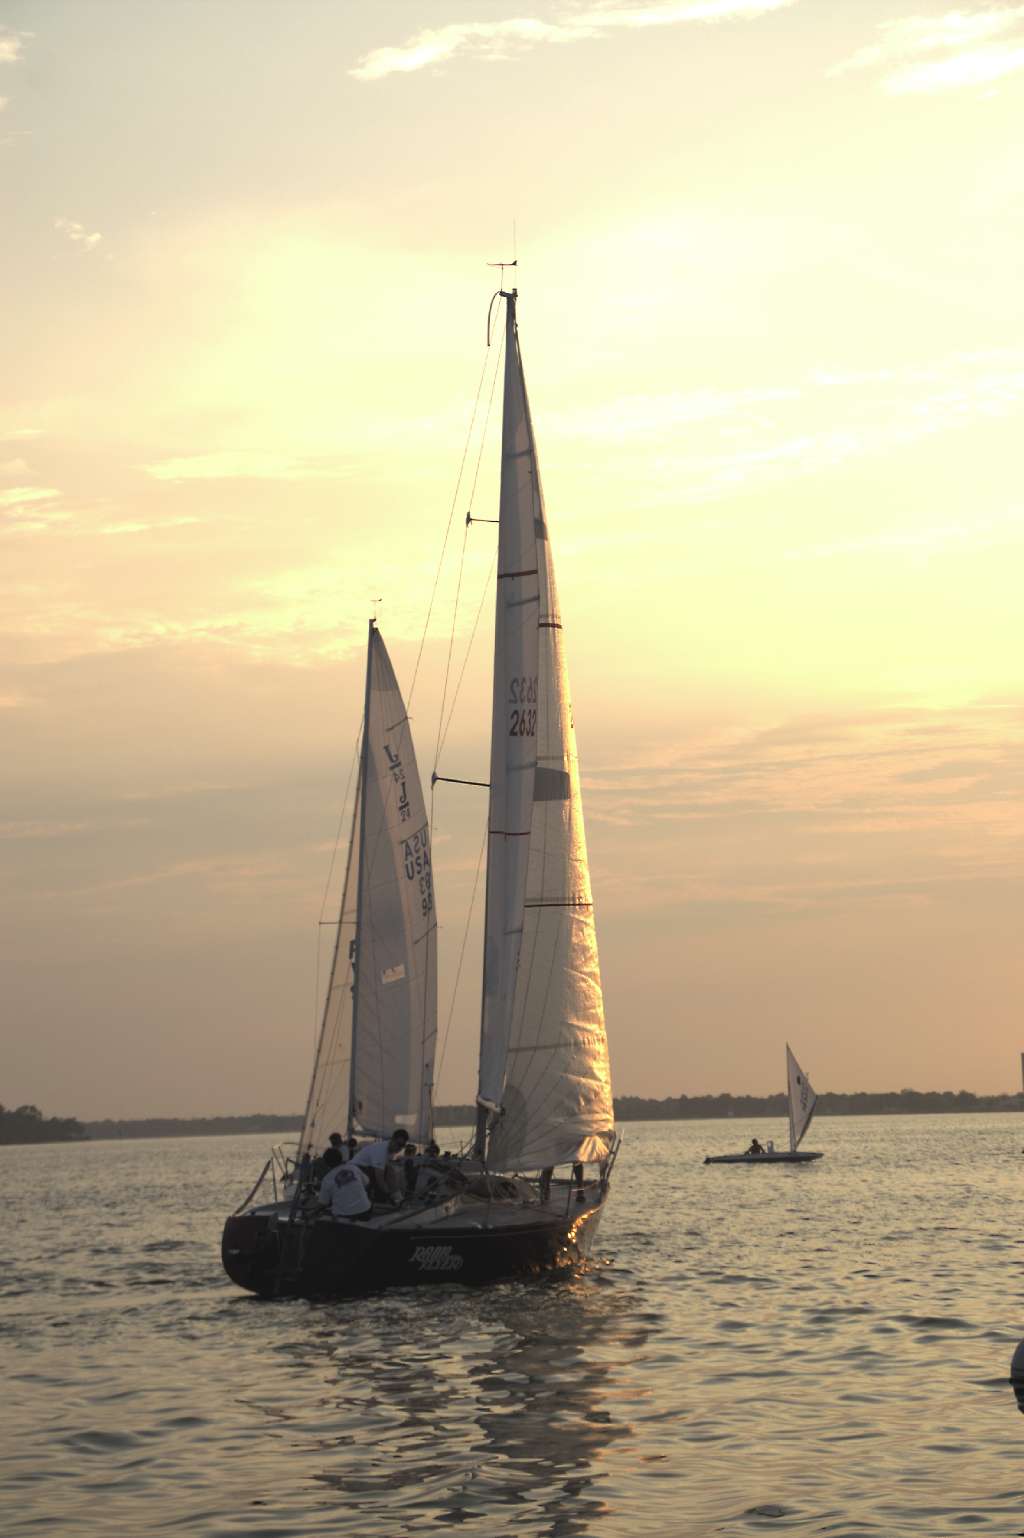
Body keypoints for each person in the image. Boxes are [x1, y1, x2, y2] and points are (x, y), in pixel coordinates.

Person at [351, 1127, 409, 1202]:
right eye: (399, 1144)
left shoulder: (390, 1151)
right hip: (355, 1170)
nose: (400, 1148)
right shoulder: (382, 1150)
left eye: (402, 1146)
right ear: (392, 1139)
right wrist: (388, 1194)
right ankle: (393, 1198)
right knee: (385, 1174)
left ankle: (396, 1196)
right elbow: (379, 1177)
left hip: (363, 1169)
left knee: (390, 1170)